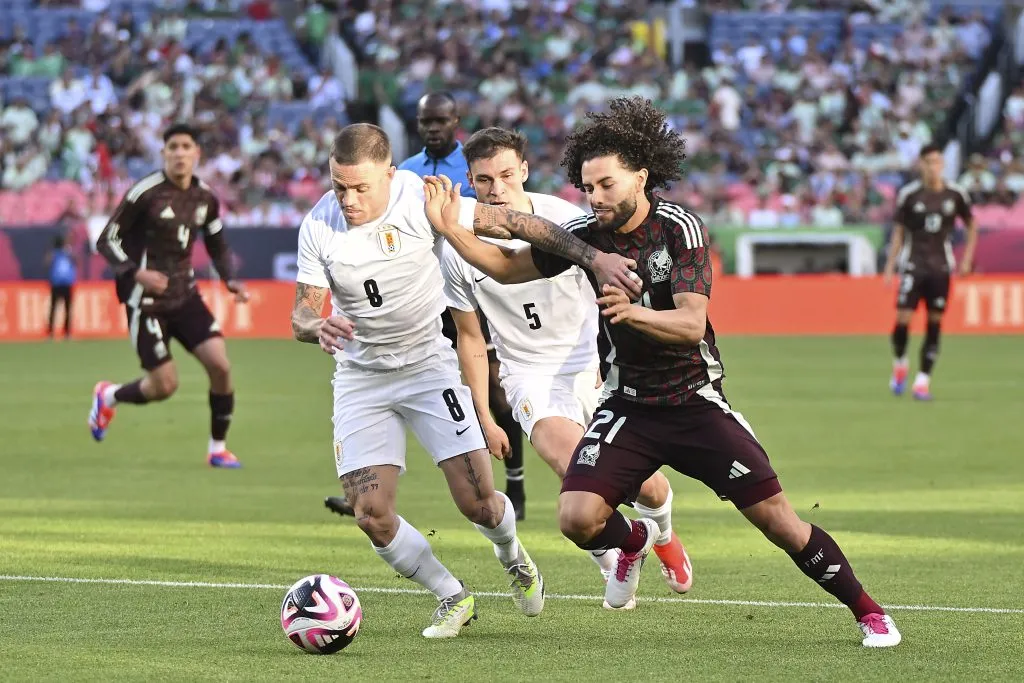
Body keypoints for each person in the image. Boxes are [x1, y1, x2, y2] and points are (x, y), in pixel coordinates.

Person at [423, 97, 901, 648]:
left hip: (694, 402)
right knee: (576, 518)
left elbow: (693, 324)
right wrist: (451, 228)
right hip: (627, 404)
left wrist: (634, 314)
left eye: (606, 185)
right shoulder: (588, 236)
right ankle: (633, 544)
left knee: (779, 523)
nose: (596, 198)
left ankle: (869, 612)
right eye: (588, 187)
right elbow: (507, 268)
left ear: (641, 177)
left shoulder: (680, 230)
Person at [290, 123, 548, 639]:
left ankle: (511, 553)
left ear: (390, 174)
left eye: (361, 187)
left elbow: (510, 223)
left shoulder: (423, 196)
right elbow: (300, 314)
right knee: (371, 513)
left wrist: (590, 254)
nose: (348, 199)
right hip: (361, 378)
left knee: (479, 502)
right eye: (340, 186)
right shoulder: (319, 224)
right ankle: (452, 596)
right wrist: (317, 325)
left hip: (429, 367)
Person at [444, 127, 693, 602]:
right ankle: (621, 551)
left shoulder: (567, 222)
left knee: (649, 489)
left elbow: (606, 295)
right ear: (471, 182)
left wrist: (610, 361)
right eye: (483, 180)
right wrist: (483, 414)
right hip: (528, 375)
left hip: (589, 367)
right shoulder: (457, 249)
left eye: (504, 175)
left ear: (523, 170)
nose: (495, 188)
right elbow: (470, 338)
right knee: (574, 466)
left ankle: (660, 533)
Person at [89, 123, 249, 469]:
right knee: (164, 386)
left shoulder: (205, 197)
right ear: (163, 153)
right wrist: (136, 273)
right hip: (145, 303)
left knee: (220, 365)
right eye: (172, 147)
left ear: (196, 153)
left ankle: (218, 449)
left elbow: (217, 243)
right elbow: (106, 240)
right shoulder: (144, 193)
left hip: (185, 296)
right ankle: (108, 396)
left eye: (185, 146)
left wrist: (230, 280)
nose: (179, 153)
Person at [396, 92, 525, 516]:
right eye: (425, 121)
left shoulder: (476, 171)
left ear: (455, 121)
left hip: (477, 283)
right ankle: (376, 478)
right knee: (408, 384)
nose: (433, 128)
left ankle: (515, 481)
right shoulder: (407, 173)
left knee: (496, 389)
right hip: (430, 295)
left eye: (440, 120)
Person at [883, 144, 977, 401]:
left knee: (934, 322)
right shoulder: (909, 195)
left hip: (941, 268)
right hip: (914, 264)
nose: (933, 167)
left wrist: (967, 259)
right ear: (921, 165)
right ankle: (900, 361)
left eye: (937, 162)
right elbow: (899, 232)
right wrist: (890, 266)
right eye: (929, 162)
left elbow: (971, 225)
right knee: (903, 319)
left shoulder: (955, 194)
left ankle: (923, 381)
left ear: (942, 165)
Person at [46, 233, 76, 339]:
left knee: (65, 309)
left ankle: (65, 332)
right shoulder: (56, 254)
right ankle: (51, 332)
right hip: (57, 284)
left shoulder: (67, 253)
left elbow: (76, 260)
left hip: (64, 284)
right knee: (55, 308)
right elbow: (47, 263)